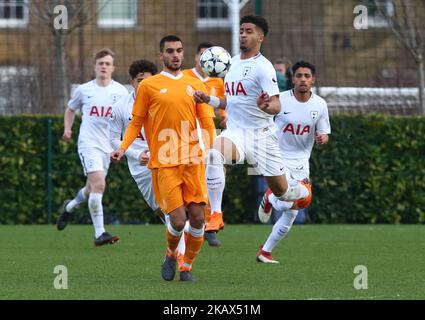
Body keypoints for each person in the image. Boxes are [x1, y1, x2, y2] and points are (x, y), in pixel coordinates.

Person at [193, 15, 310, 246]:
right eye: (241, 30)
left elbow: (277, 105)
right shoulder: (232, 64)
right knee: (214, 154)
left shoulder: (263, 67)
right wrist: (210, 100)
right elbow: (233, 102)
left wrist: (268, 106)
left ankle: (303, 191)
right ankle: (215, 214)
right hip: (236, 132)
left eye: (248, 31)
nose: (243, 34)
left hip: (262, 137)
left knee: (283, 193)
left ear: (260, 36)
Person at [111, 35, 215, 282]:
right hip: (165, 162)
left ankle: (186, 267)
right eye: (170, 51)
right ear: (162, 56)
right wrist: (123, 148)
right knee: (177, 220)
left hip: (192, 159)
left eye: (179, 50)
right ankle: (171, 255)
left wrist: (210, 148)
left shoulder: (194, 83)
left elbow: (207, 120)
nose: (176, 55)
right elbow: (136, 122)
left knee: (199, 217)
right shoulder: (150, 86)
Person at [256, 61, 331, 263]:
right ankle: (271, 199)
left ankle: (265, 251)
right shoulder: (281, 100)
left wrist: (322, 138)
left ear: (313, 79)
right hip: (278, 157)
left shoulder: (320, 105)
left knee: (293, 210)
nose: (303, 79)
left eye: (307, 75)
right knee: (294, 201)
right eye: (299, 75)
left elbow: (325, 133)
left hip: (301, 161)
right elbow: (263, 118)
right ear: (293, 78)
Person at [57, 48, 128, 246]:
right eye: (100, 63)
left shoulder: (121, 91)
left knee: (91, 189)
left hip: (109, 147)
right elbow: (71, 109)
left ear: (113, 68)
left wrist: (123, 145)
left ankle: (69, 207)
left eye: (107, 63)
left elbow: (127, 118)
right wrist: (67, 129)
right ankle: (100, 233)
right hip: (88, 144)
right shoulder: (84, 90)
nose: (104, 66)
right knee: (99, 185)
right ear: (94, 67)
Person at [183, 42, 226, 247]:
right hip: (189, 130)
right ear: (196, 58)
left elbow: (223, 104)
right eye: (203, 55)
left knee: (214, 175)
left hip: (209, 129)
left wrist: (225, 117)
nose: (207, 60)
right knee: (194, 177)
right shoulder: (184, 76)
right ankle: (189, 221)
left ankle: (209, 224)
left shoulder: (218, 80)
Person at [109, 59, 163, 219]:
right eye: (140, 81)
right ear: (132, 82)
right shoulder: (120, 107)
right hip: (140, 166)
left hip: (166, 159)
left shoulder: (164, 102)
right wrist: (136, 155)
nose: (145, 84)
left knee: (178, 208)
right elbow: (113, 139)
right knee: (162, 211)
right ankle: (189, 236)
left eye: (149, 80)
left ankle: (193, 235)